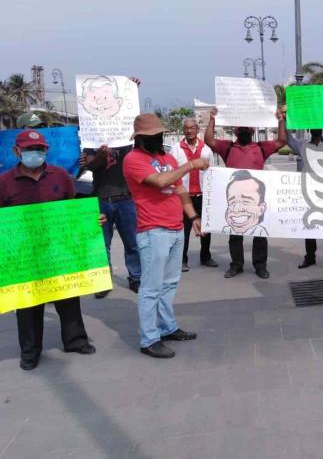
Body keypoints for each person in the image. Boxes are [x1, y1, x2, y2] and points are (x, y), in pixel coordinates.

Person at [0, 130, 97, 370]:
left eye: (40, 149)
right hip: (24, 255)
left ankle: (75, 340)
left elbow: (72, 208)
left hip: (58, 250)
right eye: (29, 150)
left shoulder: (60, 176)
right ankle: (30, 352)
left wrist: (89, 222)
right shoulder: (4, 182)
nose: (35, 154)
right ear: (16, 152)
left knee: (67, 296)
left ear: (46, 151)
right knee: (28, 304)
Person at [123, 114, 207, 359]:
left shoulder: (167, 157)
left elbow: (180, 189)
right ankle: (149, 339)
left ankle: (167, 327)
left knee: (170, 283)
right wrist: (190, 165)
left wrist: (193, 218)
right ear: (140, 139)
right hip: (153, 231)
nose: (157, 139)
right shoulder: (133, 160)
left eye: (159, 135)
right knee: (151, 287)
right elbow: (160, 181)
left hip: (175, 229)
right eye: (152, 136)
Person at [204, 107, 286, 279]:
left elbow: (281, 141)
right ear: (236, 131)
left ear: (252, 131)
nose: (244, 133)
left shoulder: (261, 147)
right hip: (235, 200)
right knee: (235, 234)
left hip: (255, 200)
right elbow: (209, 140)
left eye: (247, 130)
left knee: (260, 234)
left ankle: (260, 266)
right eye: (241, 130)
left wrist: (280, 120)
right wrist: (212, 119)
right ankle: (236, 265)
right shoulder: (228, 147)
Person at [81, 144, 142, 296]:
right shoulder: (91, 144)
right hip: (100, 199)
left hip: (125, 198)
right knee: (101, 244)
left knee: (132, 242)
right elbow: (90, 167)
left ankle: (136, 277)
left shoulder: (127, 141)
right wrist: (100, 155)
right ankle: (103, 280)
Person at [286, 125, 323, 269]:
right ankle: (310, 257)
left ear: (321, 130)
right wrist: (283, 120)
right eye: (314, 128)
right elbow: (288, 139)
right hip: (309, 194)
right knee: (309, 226)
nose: (316, 130)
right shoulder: (302, 146)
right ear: (310, 131)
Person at [170, 118, 217, 272]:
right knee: (183, 230)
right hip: (184, 196)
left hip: (203, 195)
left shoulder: (206, 150)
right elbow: (172, 173)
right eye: (186, 128)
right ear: (183, 130)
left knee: (206, 228)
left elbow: (212, 172)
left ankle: (206, 257)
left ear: (197, 129)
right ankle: (182, 259)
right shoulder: (176, 149)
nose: (189, 131)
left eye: (192, 128)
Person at [222, 170, 269, 236]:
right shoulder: (226, 230)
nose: (236, 209)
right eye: (232, 202)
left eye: (245, 201)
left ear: (261, 209)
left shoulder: (261, 232)